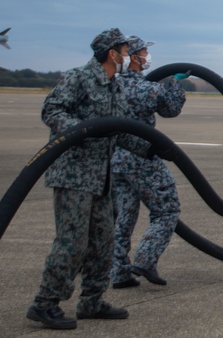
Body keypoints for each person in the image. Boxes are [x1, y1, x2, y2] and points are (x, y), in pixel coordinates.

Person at [27, 28, 138, 329]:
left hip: (102, 178)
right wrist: (82, 128)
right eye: (126, 50)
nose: (128, 56)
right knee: (72, 243)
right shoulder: (78, 78)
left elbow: (123, 130)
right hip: (74, 175)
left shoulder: (116, 88)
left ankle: (92, 301)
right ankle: (45, 303)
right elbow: (52, 110)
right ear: (112, 53)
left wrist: (154, 147)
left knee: (102, 242)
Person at [110, 36, 187, 290]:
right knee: (167, 210)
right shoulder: (147, 88)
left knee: (123, 217)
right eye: (144, 52)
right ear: (134, 57)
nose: (147, 56)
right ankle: (145, 258)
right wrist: (174, 85)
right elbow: (171, 109)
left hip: (116, 160)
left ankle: (118, 270)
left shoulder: (112, 86)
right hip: (143, 158)